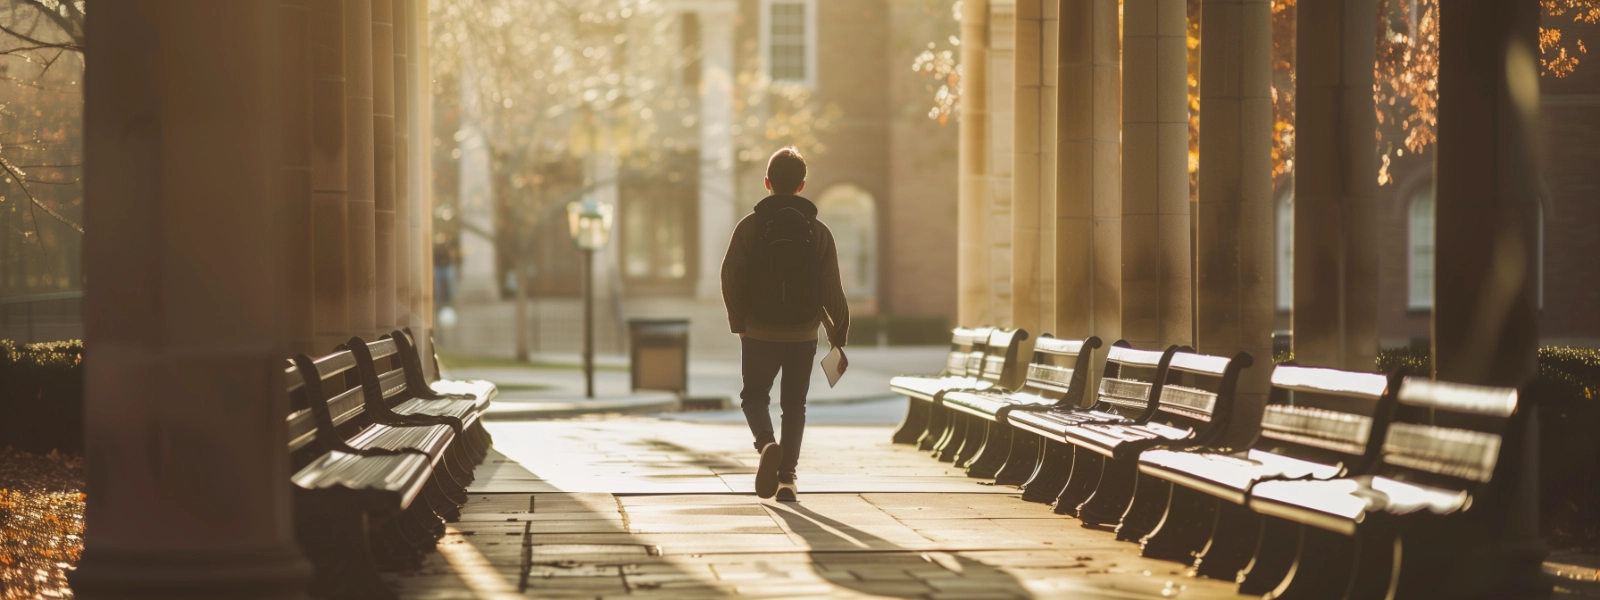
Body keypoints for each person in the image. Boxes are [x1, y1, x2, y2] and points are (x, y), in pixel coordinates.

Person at [720, 147, 850, 502]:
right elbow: (832, 288)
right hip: (803, 332)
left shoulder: (750, 227)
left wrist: (739, 322)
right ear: (802, 185)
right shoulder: (819, 232)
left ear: (767, 183)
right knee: (794, 405)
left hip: (758, 329)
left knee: (754, 396)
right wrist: (838, 336)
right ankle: (787, 479)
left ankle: (766, 444)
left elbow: (729, 274)